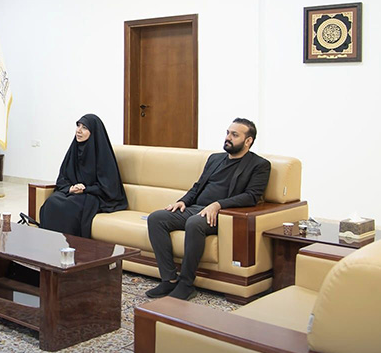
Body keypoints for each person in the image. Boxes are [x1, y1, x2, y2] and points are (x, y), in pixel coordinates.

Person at [146, 118, 271, 301]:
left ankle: (186, 284)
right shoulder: (215, 159)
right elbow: (198, 186)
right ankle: (169, 280)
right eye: (227, 133)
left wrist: (218, 205)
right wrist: (182, 201)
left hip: (222, 214)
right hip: (196, 208)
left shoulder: (259, 165)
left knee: (194, 223)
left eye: (234, 135)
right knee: (157, 218)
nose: (228, 138)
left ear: (248, 141)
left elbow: (252, 196)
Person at [39, 114, 128, 238]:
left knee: (69, 206)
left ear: (94, 132)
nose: (79, 131)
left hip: (93, 195)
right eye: (78, 126)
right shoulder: (74, 150)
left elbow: (109, 187)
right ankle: (49, 242)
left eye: (84, 127)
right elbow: (62, 178)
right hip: (72, 192)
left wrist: (85, 189)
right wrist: (70, 188)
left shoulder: (103, 155)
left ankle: (72, 245)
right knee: (52, 202)